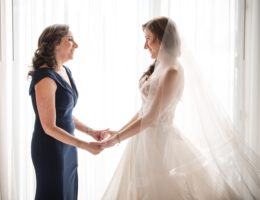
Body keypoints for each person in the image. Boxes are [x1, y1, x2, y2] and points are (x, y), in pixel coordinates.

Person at [101, 17, 260, 199]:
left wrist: (117, 139)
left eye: (148, 38)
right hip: (142, 141)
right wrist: (118, 133)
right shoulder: (159, 66)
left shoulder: (172, 71)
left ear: (162, 39)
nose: (145, 45)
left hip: (160, 145)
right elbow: (144, 110)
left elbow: (152, 117)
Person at [28, 24, 104, 200]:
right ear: (55, 44)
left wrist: (90, 132)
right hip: (50, 149)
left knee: (68, 193)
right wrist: (84, 145)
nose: (75, 45)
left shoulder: (64, 71)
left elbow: (65, 113)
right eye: (70, 40)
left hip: (68, 146)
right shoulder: (45, 77)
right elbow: (49, 127)